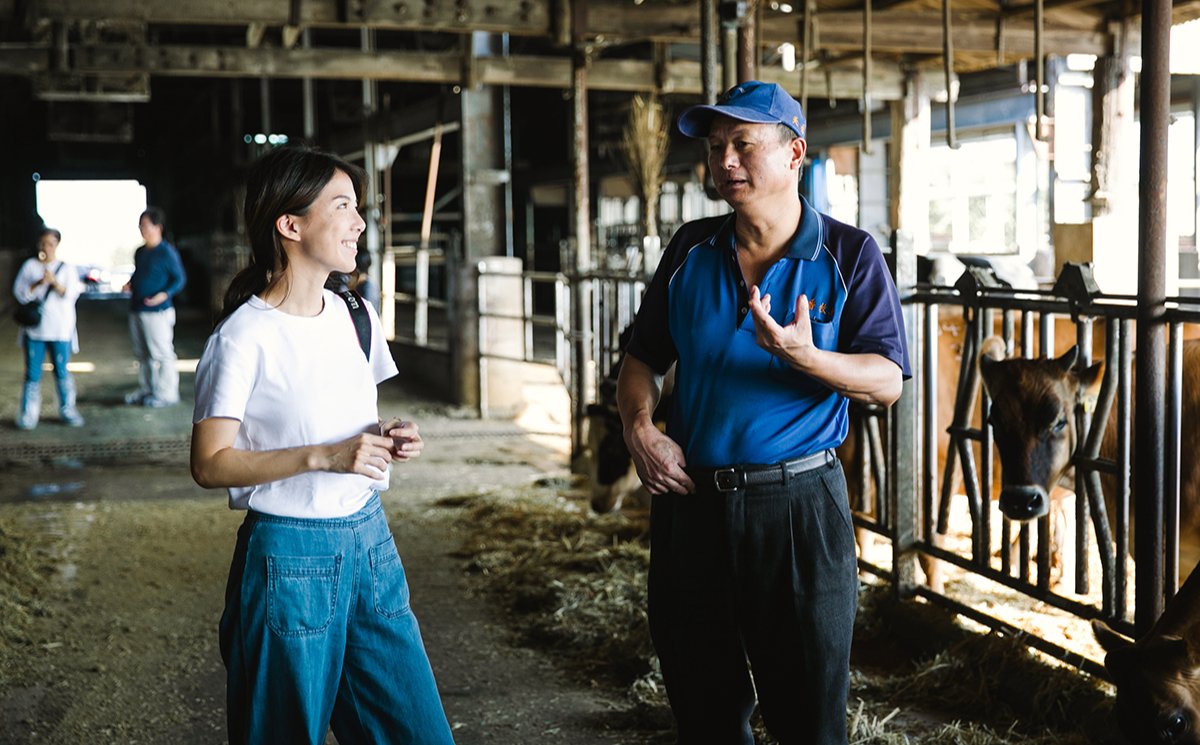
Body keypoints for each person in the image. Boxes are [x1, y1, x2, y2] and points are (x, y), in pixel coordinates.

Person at [616, 81, 911, 745]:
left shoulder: (850, 254)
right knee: (704, 708)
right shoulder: (691, 249)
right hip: (692, 506)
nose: (724, 161)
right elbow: (640, 360)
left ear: (794, 152)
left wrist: (810, 358)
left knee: (808, 717)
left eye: (743, 144)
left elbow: (888, 379)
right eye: (716, 146)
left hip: (797, 506)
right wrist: (640, 429)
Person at [189, 145, 455, 745]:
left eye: (358, 208)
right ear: (290, 224)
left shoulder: (355, 313)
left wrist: (388, 437)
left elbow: (348, 416)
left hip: (370, 540)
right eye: (342, 206)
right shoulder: (243, 337)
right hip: (290, 556)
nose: (360, 223)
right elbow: (209, 464)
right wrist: (325, 457)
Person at [12, 228, 86, 429]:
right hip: (35, 331)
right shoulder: (30, 266)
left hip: (61, 330)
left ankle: (67, 410)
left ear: (57, 244)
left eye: (51, 243)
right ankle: (28, 415)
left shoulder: (67, 268)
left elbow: (71, 294)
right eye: (43, 243)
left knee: (62, 371)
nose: (46, 247)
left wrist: (54, 282)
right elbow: (20, 293)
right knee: (32, 373)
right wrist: (39, 282)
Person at [123, 206, 187, 408]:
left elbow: (180, 279)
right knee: (143, 354)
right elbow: (139, 273)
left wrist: (164, 295)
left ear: (158, 228)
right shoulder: (141, 252)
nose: (142, 230)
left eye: (146, 226)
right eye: (140, 226)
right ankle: (148, 390)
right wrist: (130, 283)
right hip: (137, 309)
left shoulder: (167, 252)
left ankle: (167, 394)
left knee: (162, 354)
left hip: (158, 312)